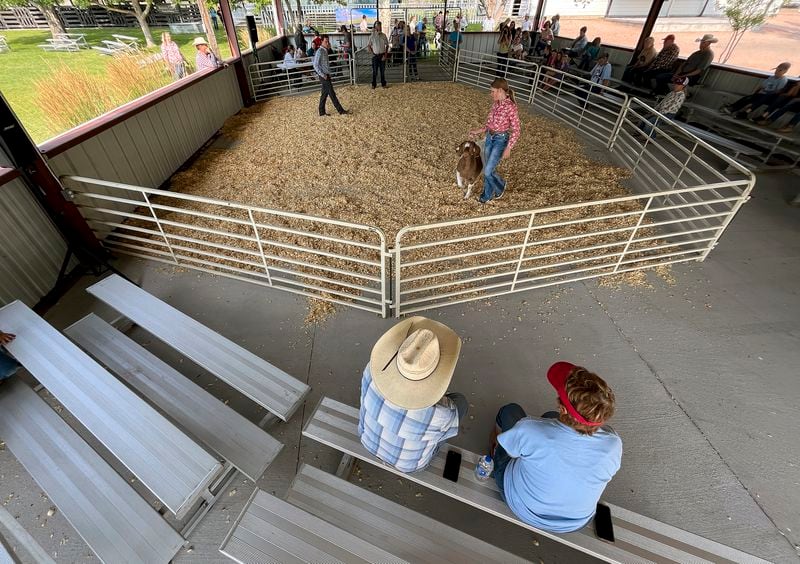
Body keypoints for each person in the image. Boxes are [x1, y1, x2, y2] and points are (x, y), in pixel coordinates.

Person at [490, 362, 622, 533]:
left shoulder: (530, 429)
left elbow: (512, 451)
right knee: (550, 418)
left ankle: (493, 453)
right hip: (575, 523)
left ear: (564, 409)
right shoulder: (613, 444)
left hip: (521, 505)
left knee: (509, 412)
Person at [358, 317, 468, 473]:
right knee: (461, 402)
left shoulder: (371, 372)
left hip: (366, 440)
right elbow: (443, 431)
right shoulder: (443, 414)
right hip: (409, 466)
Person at [468, 78, 521, 203]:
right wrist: (479, 131)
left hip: (500, 140)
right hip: (489, 138)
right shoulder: (495, 104)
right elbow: (490, 125)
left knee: (487, 171)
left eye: (492, 91)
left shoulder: (511, 107)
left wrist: (509, 147)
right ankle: (486, 195)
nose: (491, 94)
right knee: (488, 169)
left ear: (500, 91)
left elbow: (517, 130)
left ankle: (500, 185)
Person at [720, 62, 791, 118]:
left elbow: (778, 91)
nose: (777, 71)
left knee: (753, 100)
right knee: (747, 98)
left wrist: (767, 91)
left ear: (785, 71)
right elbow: (762, 86)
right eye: (776, 69)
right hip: (762, 94)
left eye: (779, 70)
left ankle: (736, 110)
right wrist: (755, 93)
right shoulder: (771, 77)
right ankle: (732, 107)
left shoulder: (783, 80)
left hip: (769, 96)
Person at [313, 35, 348, 117]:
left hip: (326, 75)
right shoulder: (320, 51)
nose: (328, 43)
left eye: (328, 41)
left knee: (324, 94)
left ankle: (321, 112)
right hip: (324, 76)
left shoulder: (325, 50)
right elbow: (315, 65)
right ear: (321, 42)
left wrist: (328, 74)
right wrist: (323, 75)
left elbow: (325, 64)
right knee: (332, 94)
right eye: (326, 41)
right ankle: (341, 111)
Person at [368, 21, 389, 89]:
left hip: (382, 55)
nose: (379, 27)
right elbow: (369, 46)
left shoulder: (384, 35)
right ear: (375, 27)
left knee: (382, 71)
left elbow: (387, 45)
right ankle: (374, 84)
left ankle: (383, 83)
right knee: (375, 71)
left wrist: (385, 55)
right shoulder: (372, 36)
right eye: (377, 26)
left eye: (380, 25)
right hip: (375, 55)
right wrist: (372, 54)